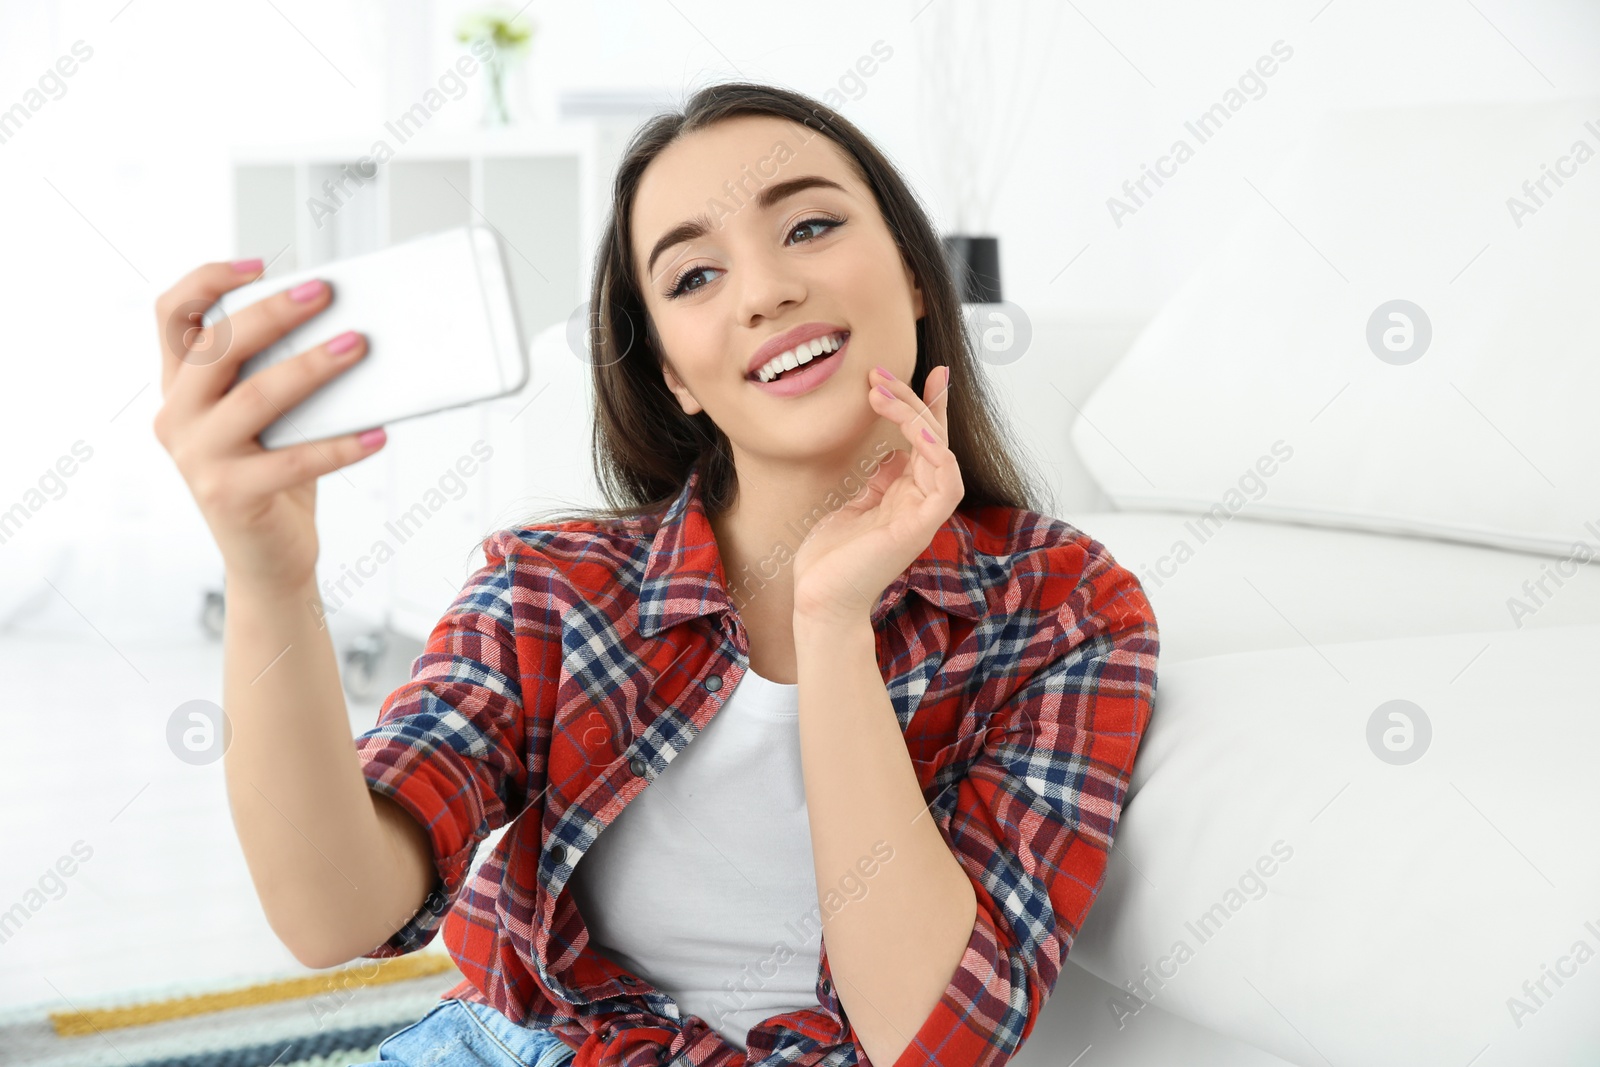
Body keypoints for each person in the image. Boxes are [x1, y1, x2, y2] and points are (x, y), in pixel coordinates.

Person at [153, 81, 1159, 1067]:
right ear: (673, 371)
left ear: (907, 269)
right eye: (692, 277)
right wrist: (267, 576)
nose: (766, 289)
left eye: (808, 227)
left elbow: (925, 1035)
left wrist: (832, 617)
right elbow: (335, 913)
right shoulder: (549, 588)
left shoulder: (1063, 606)